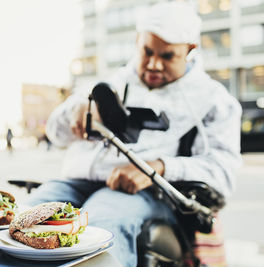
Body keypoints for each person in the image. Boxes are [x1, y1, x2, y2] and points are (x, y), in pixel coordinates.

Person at [26, 2, 242, 266]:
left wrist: (158, 168)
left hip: (146, 194)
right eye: (147, 51)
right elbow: (55, 134)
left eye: (167, 56)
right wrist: (76, 109)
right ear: (137, 41)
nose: (153, 65)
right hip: (75, 182)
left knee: (99, 229)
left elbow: (223, 173)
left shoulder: (215, 101)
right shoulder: (111, 82)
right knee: (25, 218)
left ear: (190, 50)